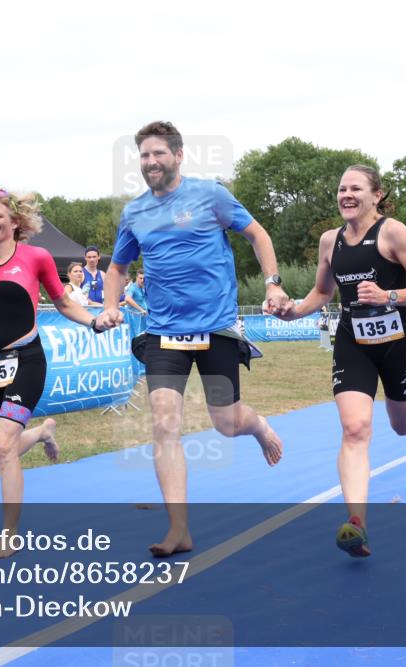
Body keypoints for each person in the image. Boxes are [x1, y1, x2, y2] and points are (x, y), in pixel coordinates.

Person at [102, 120, 287, 557]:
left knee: (226, 424)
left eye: (158, 153)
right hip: (164, 332)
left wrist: (273, 283)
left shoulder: (211, 195)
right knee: (164, 421)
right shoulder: (135, 213)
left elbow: (257, 234)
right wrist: (111, 305)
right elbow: (117, 268)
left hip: (217, 326)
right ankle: (179, 528)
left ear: (178, 155)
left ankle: (256, 425)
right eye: (144, 155)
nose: (150, 162)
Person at [273, 164, 406, 558]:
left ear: (376, 195)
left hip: (400, 344)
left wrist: (388, 297)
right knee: (355, 428)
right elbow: (322, 292)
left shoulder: (393, 232)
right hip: (353, 343)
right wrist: (293, 312)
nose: (346, 195)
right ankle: (356, 524)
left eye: (356, 189)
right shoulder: (330, 241)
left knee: (401, 427)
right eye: (341, 189)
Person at [0, 188, 117, 559]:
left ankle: (9, 535)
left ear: (15, 222)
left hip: (26, 360)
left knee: (6, 446)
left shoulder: (36, 257)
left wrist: (94, 322)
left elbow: (62, 302)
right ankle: (42, 433)